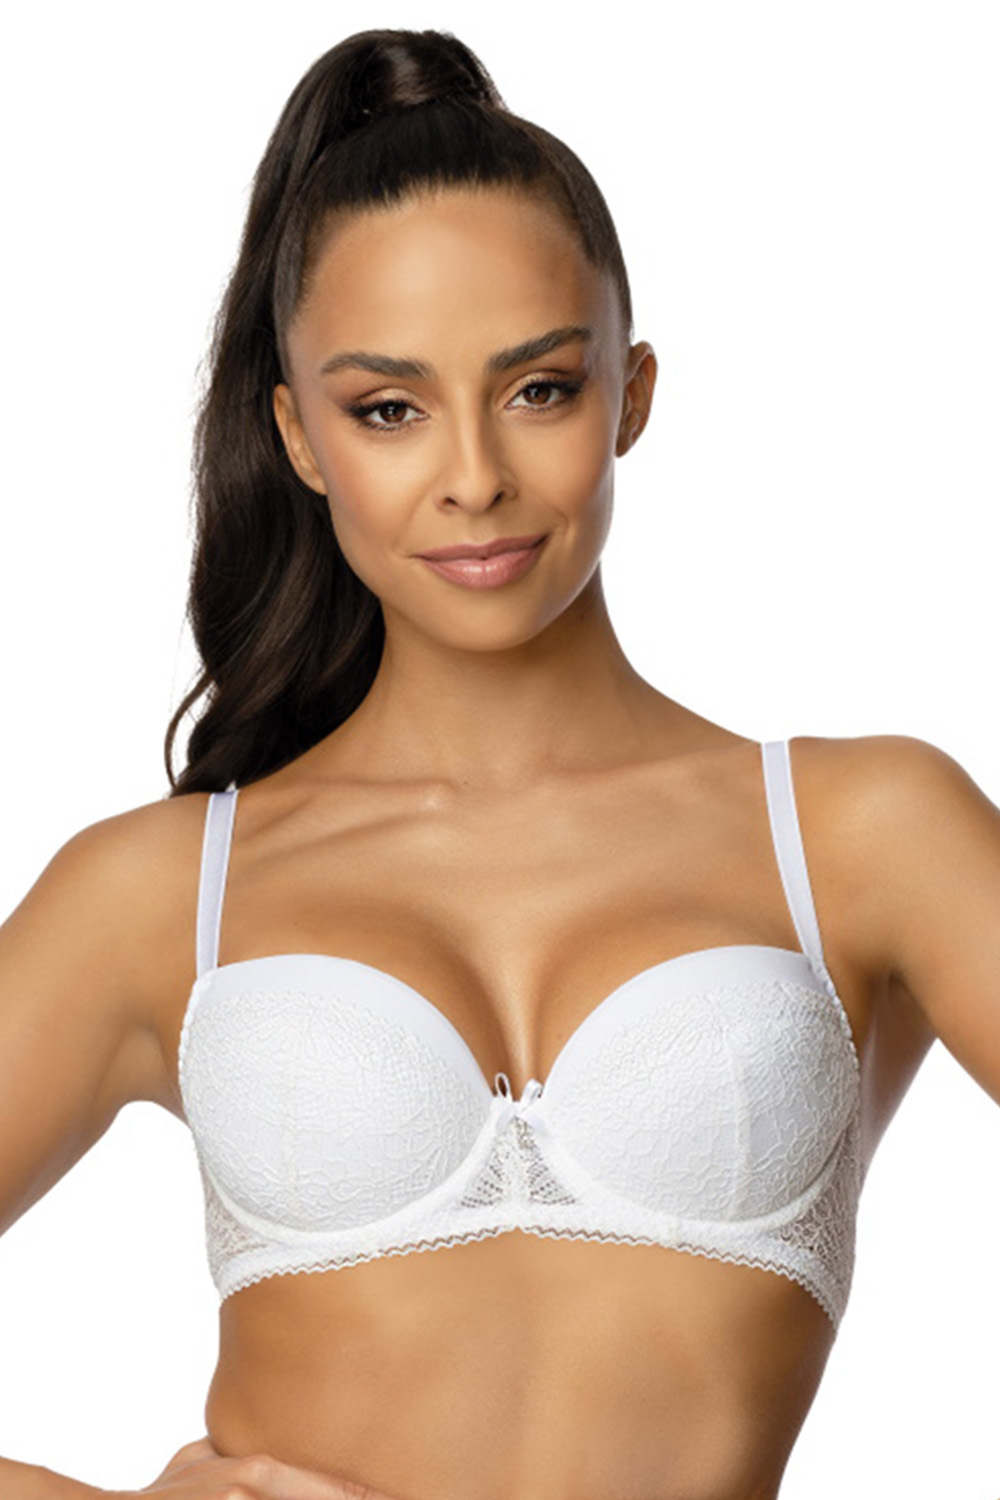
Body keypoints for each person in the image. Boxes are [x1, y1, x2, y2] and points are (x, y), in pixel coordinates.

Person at [1, 24, 998, 1500]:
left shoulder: (861, 832)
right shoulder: (159, 893)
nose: (473, 476)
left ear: (631, 392)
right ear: (300, 437)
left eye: (538, 388)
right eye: (388, 409)